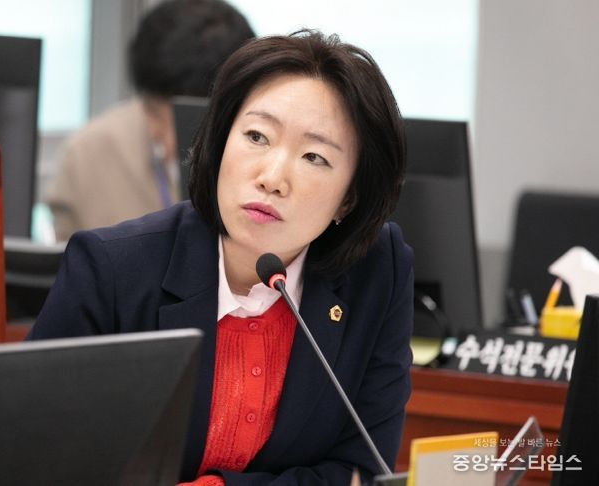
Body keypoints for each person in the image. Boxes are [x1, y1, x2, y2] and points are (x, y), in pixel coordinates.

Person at [28, 30, 413, 485]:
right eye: (256, 136)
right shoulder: (110, 270)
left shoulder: (378, 270)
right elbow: (32, 456)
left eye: (314, 157)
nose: (272, 178)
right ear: (220, 142)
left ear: (349, 198)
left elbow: (361, 471)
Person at [45, 0, 255, 241]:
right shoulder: (87, 154)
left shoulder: (266, 174)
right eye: (152, 112)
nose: (162, 136)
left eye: (188, 120)